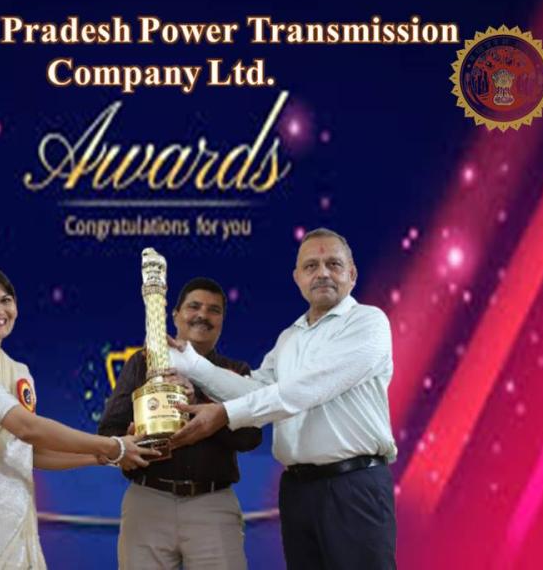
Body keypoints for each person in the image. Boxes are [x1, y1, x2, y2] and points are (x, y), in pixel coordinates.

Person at [168, 229, 397, 570]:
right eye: (311, 266)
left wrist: (225, 414)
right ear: (297, 278)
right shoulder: (289, 338)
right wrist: (192, 364)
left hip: (354, 486)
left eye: (333, 264)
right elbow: (255, 390)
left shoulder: (368, 322)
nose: (322, 273)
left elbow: (306, 390)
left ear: (352, 274)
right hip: (297, 490)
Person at [0, 266, 158, 569]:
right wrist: (113, 446)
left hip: (8, 527)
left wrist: (103, 457)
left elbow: (29, 451)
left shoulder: (18, 372)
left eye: (5, 300)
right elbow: (26, 428)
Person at [99, 277, 262, 570]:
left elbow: (250, 437)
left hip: (212, 504)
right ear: (175, 315)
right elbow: (109, 431)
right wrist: (130, 441)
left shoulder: (236, 371)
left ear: (222, 321)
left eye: (214, 310)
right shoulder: (142, 362)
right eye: (194, 306)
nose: (203, 315)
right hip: (148, 501)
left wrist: (198, 397)